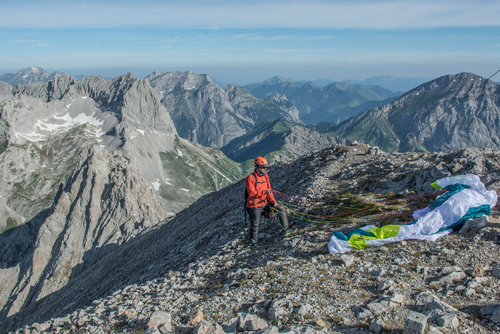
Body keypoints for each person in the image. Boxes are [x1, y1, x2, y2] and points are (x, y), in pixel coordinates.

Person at [245, 156, 293, 246]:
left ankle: (286, 230)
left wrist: (273, 200)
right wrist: (264, 192)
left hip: (264, 202)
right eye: (263, 167)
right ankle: (253, 243)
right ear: (257, 167)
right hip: (254, 205)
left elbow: (269, 189)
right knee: (255, 224)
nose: (265, 169)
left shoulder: (266, 176)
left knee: (281, 209)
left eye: (266, 167)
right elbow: (251, 193)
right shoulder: (250, 178)